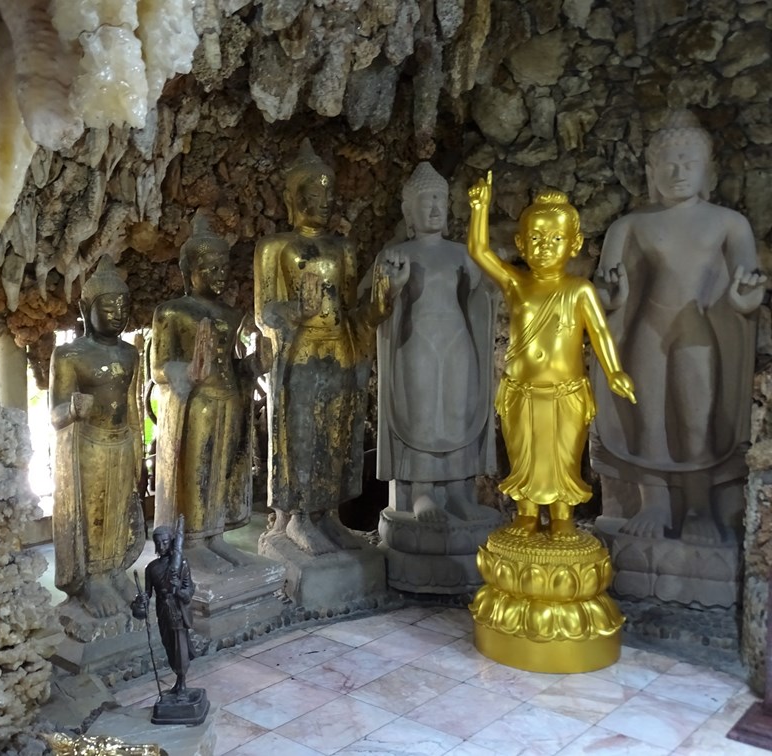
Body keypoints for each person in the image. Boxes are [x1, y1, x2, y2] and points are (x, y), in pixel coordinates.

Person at [592, 110, 765, 544]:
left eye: (689, 163)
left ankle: (699, 508)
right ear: (651, 172)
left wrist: (745, 296)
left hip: (699, 329)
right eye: (668, 164)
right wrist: (612, 293)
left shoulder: (728, 223)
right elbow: (606, 290)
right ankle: (654, 503)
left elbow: (749, 283)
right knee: (648, 416)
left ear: (709, 170)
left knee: (696, 420)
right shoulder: (629, 225)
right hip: (648, 328)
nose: (679, 172)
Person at [254, 139, 405, 555]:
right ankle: (299, 517)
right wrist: (295, 313)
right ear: (293, 198)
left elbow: (349, 310)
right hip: (300, 353)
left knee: (336, 435)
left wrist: (377, 306)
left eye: (328, 195)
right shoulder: (276, 248)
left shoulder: (344, 248)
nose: (323, 202)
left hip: (339, 350)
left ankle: (329, 516)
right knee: (301, 436)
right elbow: (263, 312)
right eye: (313, 195)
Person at [467, 173, 636, 537]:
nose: (545, 247)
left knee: (563, 459)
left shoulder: (580, 290)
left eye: (556, 239)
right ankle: (526, 514)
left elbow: (600, 334)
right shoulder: (517, 284)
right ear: (521, 244)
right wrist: (479, 208)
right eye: (536, 239)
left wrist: (615, 372)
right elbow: (479, 252)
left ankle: (562, 517)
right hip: (521, 391)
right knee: (524, 457)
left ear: (574, 244)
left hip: (566, 393)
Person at [373, 162, 495, 519]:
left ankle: (458, 491)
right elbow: (377, 309)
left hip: (458, 342)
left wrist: (480, 281)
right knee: (422, 414)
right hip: (416, 343)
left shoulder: (462, 252)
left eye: (440, 199)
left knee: (457, 412)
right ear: (409, 209)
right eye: (426, 200)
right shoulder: (396, 254)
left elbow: (482, 297)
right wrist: (392, 285)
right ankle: (422, 492)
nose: (434, 207)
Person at [151, 213, 270, 563]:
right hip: (196, 400)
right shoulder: (171, 312)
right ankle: (192, 541)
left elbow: (232, 363)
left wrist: (254, 364)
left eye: (223, 267)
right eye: (210, 268)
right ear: (189, 273)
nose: (219, 275)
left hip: (229, 398)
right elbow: (158, 368)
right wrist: (188, 371)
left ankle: (215, 534)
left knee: (223, 468)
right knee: (197, 467)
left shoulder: (232, 316)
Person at [50, 256, 144, 616]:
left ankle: (115, 568)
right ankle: (92, 580)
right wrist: (72, 410)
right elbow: (56, 414)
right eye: (108, 305)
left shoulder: (130, 353)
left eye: (124, 305)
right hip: (89, 444)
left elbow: (133, 405)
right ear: (86, 308)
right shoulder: (69, 355)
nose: (118, 313)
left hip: (121, 440)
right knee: (94, 515)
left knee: (119, 509)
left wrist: (137, 445)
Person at [131, 525, 194, 698]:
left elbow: (189, 592)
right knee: (169, 646)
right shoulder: (151, 568)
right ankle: (177, 680)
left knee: (180, 646)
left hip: (178, 612)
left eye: (165, 542)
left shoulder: (182, 564)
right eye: (158, 543)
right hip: (163, 611)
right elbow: (147, 594)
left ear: (172, 542)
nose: (162, 546)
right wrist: (140, 600)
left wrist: (178, 589)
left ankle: (182, 682)